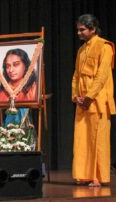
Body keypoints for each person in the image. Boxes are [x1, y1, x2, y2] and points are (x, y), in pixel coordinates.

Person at [72, 14, 115, 187]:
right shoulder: (81, 50)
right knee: (82, 139)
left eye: (82, 30)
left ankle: (98, 177)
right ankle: (84, 175)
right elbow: (76, 76)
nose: (78, 33)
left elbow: (102, 75)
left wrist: (89, 97)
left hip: (97, 101)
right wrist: (76, 97)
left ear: (92, 29)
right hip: (82, 102)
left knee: (98, 140)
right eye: (78, 29)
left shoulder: (105, 47)